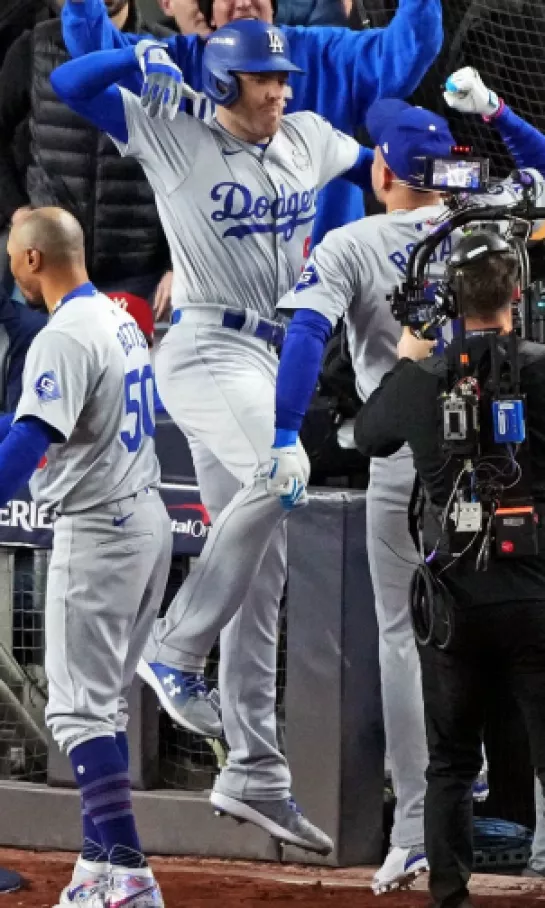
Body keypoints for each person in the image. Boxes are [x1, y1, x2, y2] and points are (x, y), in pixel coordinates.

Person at [50, 18, 374, 853]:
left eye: (282, 76)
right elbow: (70, 86)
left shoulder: (305, 136)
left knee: (261, 573)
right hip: (203, 346)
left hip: (268, 354)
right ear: (226, 83)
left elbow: (373, 143)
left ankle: (255, 772)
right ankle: (174, 647)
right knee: (281, 479)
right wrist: (139, 54)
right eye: (263, 78)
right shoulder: (174, 126)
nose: (280, 89)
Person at [267, 78, 545, 890]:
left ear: (381, 173)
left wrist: (287, 433)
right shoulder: (487, 216)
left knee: (408, 637)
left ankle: (424, 827)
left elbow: (308, 334)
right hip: (520, 451)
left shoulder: (352, 244)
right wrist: (495, 113)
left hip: (411, 457)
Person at [353, 229, 545, 908]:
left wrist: (409, 356)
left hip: (452, 605)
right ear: (515, 295)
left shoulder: (420, 380)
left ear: (447, 303)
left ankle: (448, 898)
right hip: (532, 596)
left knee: (450, 764)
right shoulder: (540, 367)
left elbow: (367, 437)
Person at [2, 207, 172, 907]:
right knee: (98, 709)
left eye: (13, 253)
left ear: (33, 261)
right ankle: (101, 865)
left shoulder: (64, 335)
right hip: (144, 519)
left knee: (76, 713)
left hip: (99, 531)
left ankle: (127, 871)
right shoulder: (116, 315)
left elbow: (29, 443)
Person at [60, 0, 443, 257]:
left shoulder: (324, 56)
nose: (242, 2)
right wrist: (133, 53)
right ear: (209, 15)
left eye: (280, 81)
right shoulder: (177, 63)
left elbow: (407, 50)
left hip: (331, 280)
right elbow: (91, 49)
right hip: (228, 291)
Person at [0, 0, 172, 304]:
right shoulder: (33, 48)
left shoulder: (165, 53)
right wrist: (16, 210)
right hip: (49, 266)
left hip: (141, 271)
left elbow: (191, 163)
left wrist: (177, 264)